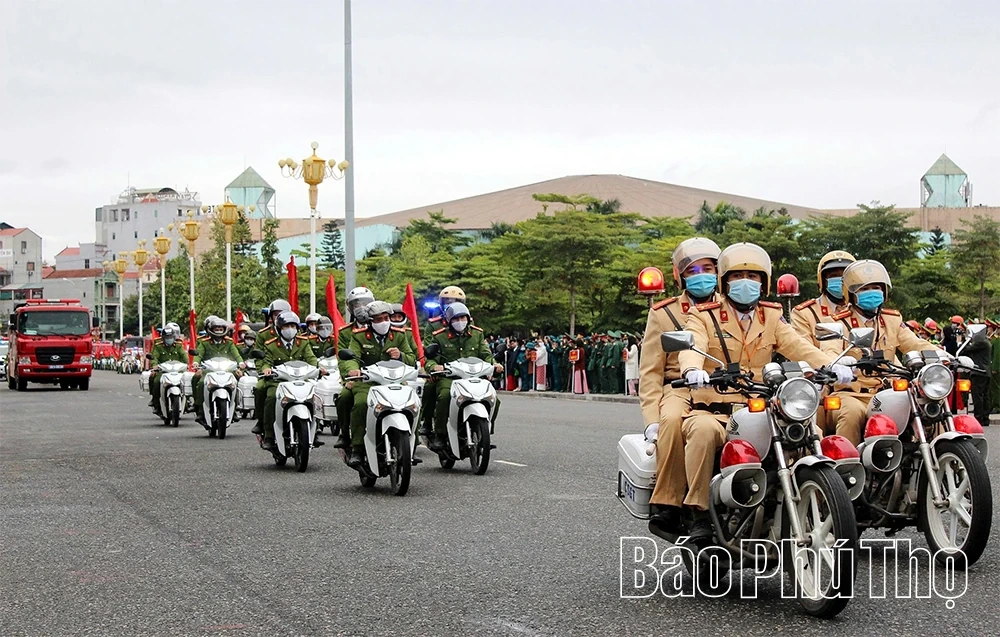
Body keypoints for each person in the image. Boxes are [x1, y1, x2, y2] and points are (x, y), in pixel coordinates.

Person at [674, 242, 853, 543]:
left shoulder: (771, 316)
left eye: (754, 276)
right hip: (715, 410)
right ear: (725, 281)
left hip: (762, 408)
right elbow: (694, 344)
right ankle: (699, 514)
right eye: (738, 275)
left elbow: (798, 345)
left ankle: (827, 502)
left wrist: (831, 364)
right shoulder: (703, 315)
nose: (746, 282)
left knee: (812, 433)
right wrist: (693, 370)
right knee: (702, 433)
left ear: (764, 282)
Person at [638, 236, 721, 536]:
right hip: (679, 387)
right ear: (681, 275)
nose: (702, 276)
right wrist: (651, 421)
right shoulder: (663, 313)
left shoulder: (729, 309)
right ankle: (669, 502)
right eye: (693, 270)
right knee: (671, 420)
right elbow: (650, 372)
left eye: (708, 268)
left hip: (722, 385)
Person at [820, 259, 940, 444]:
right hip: (851, 394)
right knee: (852, 413)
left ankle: (936, 452)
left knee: (928, 406)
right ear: (850, 293)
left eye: (876, 287)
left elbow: (915, 343)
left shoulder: (891, 319)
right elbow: (829, 350)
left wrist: (945, 356)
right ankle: (847, 466)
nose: (872, 293)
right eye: (864, 289)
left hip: (887, 392)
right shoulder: (836, 322)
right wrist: (837, 363)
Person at [339, 301, 415, 466]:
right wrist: (353, 371)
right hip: (368, 382)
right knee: (360, 404)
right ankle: (358, 448)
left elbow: (412, 359)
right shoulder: (359, 336)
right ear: (370, 321)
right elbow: (351, 359)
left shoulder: (399, 335)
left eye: (386, 318)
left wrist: (401, 355)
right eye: (378, 319)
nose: (383, 322)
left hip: (394, 381)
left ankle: (410, 444)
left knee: (413, 402)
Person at [424, 302, 501, 452]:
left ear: (468, 318)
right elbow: (430, 359)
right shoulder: (440, 336)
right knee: (445, 396)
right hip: (450, 377)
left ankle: (485, 432)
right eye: (456, 319)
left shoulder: (477, 334)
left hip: (474, 376)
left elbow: (486, 354)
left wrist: (496, 365)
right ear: (449, 321)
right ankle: (440, 433)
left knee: (494, 400)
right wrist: (434, 367)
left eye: (463, 318)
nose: (460, 321)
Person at [258, 310, 319, 450]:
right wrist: (266, 369)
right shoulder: (271, 344)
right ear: (280, 329)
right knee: (271, 397)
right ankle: (268, 434)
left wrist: (318, 368)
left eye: (293, 326)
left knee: (314, 396)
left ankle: (315, 431)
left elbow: (311, 358)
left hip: (301, 380)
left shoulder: (303, 343)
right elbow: (266, 361)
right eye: (286, 326)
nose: (290, 330)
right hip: (279, 381)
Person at [418, 286, 466, 436]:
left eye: (456, 301)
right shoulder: (434, 325)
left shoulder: (468, 325)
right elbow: (429, 351)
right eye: (447, 301)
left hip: (468, 373)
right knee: (432, 389)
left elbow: (483, 352)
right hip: (444, 372)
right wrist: (433, 366)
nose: (451, 303)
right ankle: (428, 422)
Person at [791, 250, 856, 347]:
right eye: (834, 276)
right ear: (822, 281)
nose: (841, 280)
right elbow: (803, 351)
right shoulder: (805, 313)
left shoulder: (865, 311)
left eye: (845, 276)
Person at [250, 299, 292, 435]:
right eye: (275, 314)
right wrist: (263, 371)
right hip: (271, 374)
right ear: (270, 316)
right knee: (260, 388)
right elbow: (260, 357)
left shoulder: (295, 331)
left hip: (292, 373)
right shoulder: (264, 334)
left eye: (283, 313)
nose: (279, 317)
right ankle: (262, 421)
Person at [192, 316, 243, 426]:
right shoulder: (204, 343)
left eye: (221, 329)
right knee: (200, 382)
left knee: (236, 381)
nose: (219, 331)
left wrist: (241, 364)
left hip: (227, 369)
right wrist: (196, 363)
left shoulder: (229, 343)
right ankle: (199, 408)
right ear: (211, 330)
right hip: (209, 370)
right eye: (216, 329)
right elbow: (199, 355)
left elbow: (236, 354)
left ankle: (235, 408)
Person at [148, 325, 188, 417]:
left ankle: (188, 400)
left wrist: (187, 365)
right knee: (156, 380)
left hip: (177, 371)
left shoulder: (178, 345)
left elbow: (184, 357)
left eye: (170, 337)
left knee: (186, 380)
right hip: (163, 371)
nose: (169, 339)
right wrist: (154, 366)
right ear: (163, 338)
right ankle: (155, 401)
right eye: (167, 337)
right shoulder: (158, 346)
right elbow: (154, 357)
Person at [964, 320, 992, 428]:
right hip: (985, 372)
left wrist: (962, 341)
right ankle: (985, 418)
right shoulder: (985, 342)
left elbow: (966, 349)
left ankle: (979, 418)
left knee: (978, 396)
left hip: (979, 371)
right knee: (984, 396)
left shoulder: (981, 343)